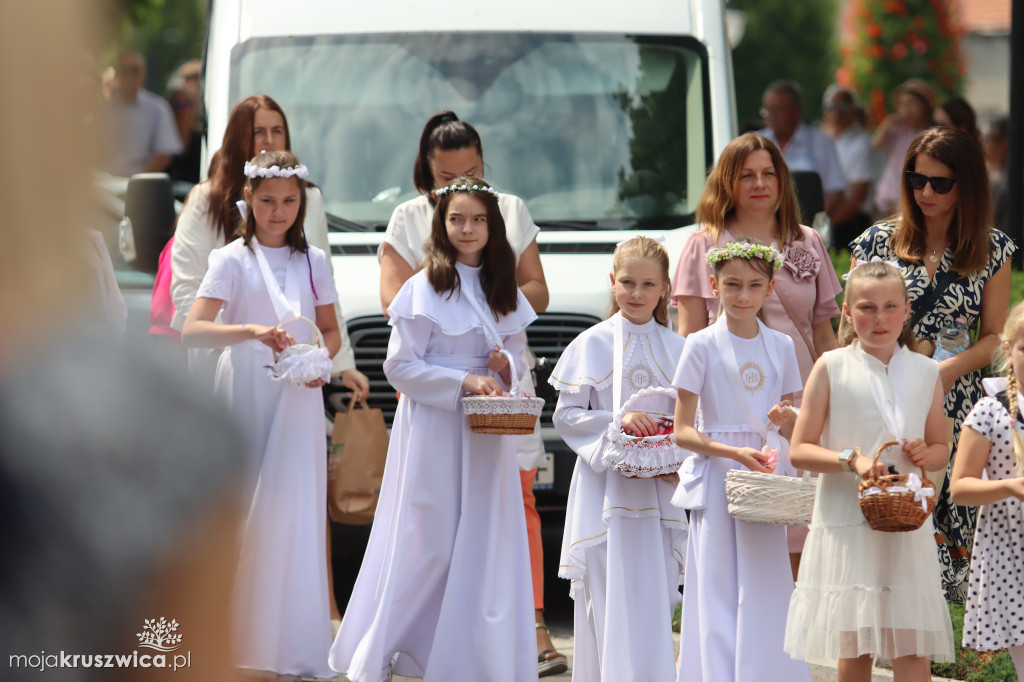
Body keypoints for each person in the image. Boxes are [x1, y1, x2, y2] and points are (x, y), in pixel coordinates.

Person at [377, 111, 563, 675]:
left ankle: (506, 637)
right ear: (426, 178)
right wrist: (450, 323)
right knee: (431, 526)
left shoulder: (506, 217)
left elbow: (528, 293)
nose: (464, 212)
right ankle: (415, 642)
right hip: (438, 413)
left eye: (473, 174)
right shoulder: (414, 240)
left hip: (491, 413)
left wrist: (500, 358)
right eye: (447, 183)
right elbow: (400, 328)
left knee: (500, 516)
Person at [330, 178, 537, 682]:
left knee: (485, 536)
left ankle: (474, 655)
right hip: (435, 428)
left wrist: (504, 369)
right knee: (429, 537)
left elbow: (518, 361)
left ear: (493, 226)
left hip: (486, 433)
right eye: (457, 219)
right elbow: (399, 367)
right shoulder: (423, 286)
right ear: (441, 226)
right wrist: (463, 378)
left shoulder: (501, 286)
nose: (468, 229)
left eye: (478, 220)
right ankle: (390, 645)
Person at [182, 150, 340, 678]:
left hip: (297, 391)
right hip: (247, 383)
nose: (279, 212)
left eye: (290, 202)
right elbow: (194, 328)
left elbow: (330, 331)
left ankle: (293, 644)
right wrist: (250, 331)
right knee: (247, 505)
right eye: (268, 201)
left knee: (295, 509)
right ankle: (240, 642)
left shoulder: (312, 261)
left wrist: (320, 361)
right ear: (246, 198)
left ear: (302, 202)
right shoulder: (231, 259)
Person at [850, 126, 1015, 603]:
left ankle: (945, 598)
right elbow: (853, 321)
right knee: (891, 490)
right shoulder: (877, 242)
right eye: (917, 179)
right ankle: (884, 593)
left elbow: (995, 337)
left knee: (947, 497)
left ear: (967, 183)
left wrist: (943, 372)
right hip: (886, 386)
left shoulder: (992, 247)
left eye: (940, 183)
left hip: (956, 391)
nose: (926, 192)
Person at [672, 132, 842, 573]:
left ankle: (796, 639)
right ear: (727, 182)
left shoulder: (808, 241)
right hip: (733, 414)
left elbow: (825, 334)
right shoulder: (703, 244)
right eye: (746, 175)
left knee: (805, 530)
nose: (759, 183)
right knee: (745, 542)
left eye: (768, 173)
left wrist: (842, 397)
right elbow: (686, 335)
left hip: (803, 404)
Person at [784, 260, 955, 680]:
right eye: (866, 308)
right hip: (847, 520)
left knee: (911, 649)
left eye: (889, 307)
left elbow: (941, 450)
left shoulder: (926, 371)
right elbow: (800, 449)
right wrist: (851, 459)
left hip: (905, 523)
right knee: (854, 651)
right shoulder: (831, 366)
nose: (879, 319)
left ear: (906, 309)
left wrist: (924, 453)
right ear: (846, 311)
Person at [548, 236, 687, 682]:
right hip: (604, 492)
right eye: (627, 282)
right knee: (607, 595)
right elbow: (567, 416)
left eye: (648, 284)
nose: (637, 293)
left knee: (657, 593)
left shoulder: (680, 348)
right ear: (612, 282)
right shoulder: (590, 343)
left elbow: (692, 419)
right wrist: (621, 420)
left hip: (659, 494)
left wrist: (676, 459)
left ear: (664, 288)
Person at [671, 240, 808, 682]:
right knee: (717, 584)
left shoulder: (782, 345)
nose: (743, 296)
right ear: (714, 285)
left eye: (753, 286)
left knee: (767, 580)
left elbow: (789, 418)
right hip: (717, 475)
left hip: (764, 475)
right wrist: (732, 453)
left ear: (770, 289)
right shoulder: (699, 345)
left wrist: (785, 419)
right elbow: (683, 431)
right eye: (732, 285)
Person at [170, 94, 366, 395]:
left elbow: (324, 290)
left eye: (277, 131)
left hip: (295, 367)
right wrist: (242, 342)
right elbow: (186, 286)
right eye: (258, 131)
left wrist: (336, 362)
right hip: (227, 363)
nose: (269, 139)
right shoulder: (206, 198)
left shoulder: (310, 197)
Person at [950, 301, 1024, 678]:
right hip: (1012, 551)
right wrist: (1010, 485)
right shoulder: (989, 411)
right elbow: (960, 487)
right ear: (1009, 351)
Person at [758, 79, 847, 221]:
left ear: (797, 110)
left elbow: (835, 191)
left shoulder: (822, 143)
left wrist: (810, 223)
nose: (772, 115)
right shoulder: (756, 143)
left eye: (778, 109)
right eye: (768, 110)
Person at [101, 50, 182, 177]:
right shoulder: (103, 111)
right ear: (116, 74)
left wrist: (138, 181)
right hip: (106, 183)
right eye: (124, 70)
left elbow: (164, 155)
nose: (129, 75)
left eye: (135, 70)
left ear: (143, 74)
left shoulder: (158, 108)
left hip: (142, 186)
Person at [820, 84, 879, 248]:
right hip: (823, 220)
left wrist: (823, 228)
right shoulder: (820, 139)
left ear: (853, 109)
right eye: (831, 105)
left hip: (850, 222)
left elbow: (856, 197)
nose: (836, 110)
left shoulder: (862, 142)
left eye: (843, 105)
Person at [871, 78, 933, 218]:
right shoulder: (897, 131)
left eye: (911, 103)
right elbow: (876, 143)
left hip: (914, 192)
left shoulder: (930, 134)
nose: (906, 109)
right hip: (892, 192)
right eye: (901, 104)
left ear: (925, 106)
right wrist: (888, 122)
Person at [982, 116, 1009, 231]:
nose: (990, 143)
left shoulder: (1012, 175)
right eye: (986, 138)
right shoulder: (978, 171)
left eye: (995, 138)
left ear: (1004, 143)